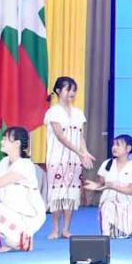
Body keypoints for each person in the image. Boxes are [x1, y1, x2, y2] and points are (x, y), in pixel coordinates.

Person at [43, 75, 95, 240]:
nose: (72, 93)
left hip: (74, 161)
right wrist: (79, 152)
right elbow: (60, 136)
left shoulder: (78, 113)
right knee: (57, 195)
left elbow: (80, 136)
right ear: (59, 91)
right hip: (57, 159)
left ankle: (66, 229)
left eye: (74, 90)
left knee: (71, 194)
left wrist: (84, 152)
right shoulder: (53, 112)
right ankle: (54, 229)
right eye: (68, 90)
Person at [85, 134, 132, 239]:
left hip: (128, 201)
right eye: (113, 144)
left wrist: (112, 186)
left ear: (128, 149)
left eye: (118, 145)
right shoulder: (107, 164)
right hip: (110, 199)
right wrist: (96, 186)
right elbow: (102, 184)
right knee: (107, 206)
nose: (114, 147)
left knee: (126, 228)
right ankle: (107, 234)